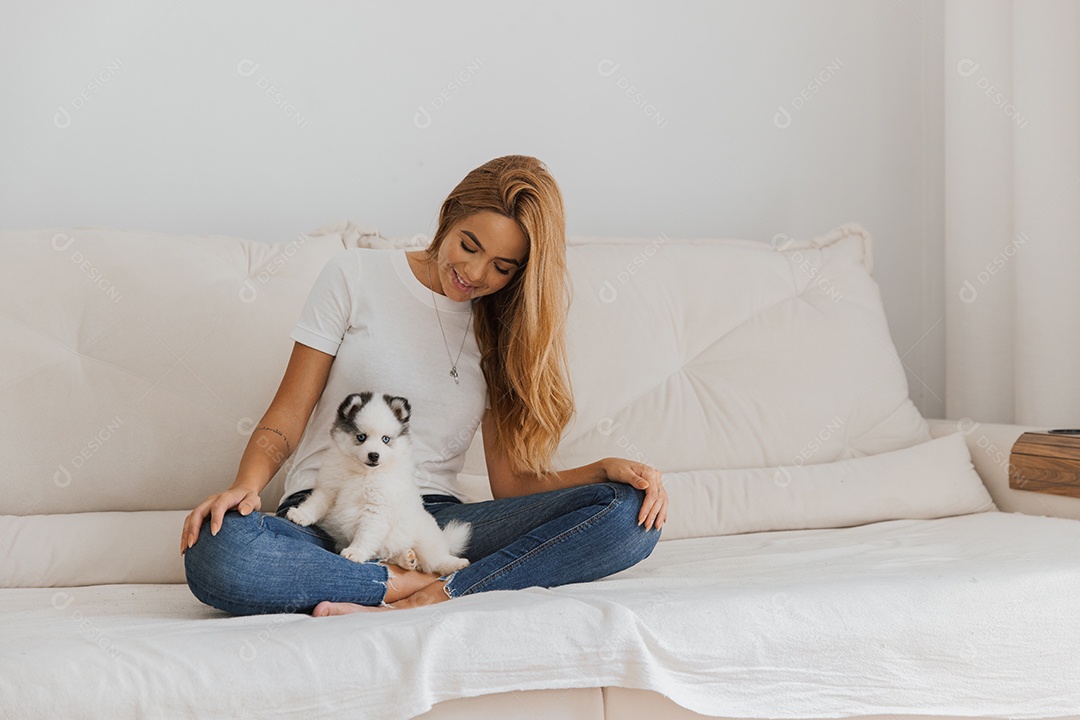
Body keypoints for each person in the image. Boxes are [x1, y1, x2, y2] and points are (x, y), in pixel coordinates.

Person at [181, 155, 667, 616]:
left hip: (425, 522)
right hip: (330, 512)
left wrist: (603, 471)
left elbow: (513, 485)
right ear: (449, 216)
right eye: (469, 245)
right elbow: (286, 416)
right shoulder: (354, 275)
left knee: (628, 515)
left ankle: (446, 589)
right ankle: (397, 585)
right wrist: (245, 486)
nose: (475, 274)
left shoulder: (499, 333)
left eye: (501, 267)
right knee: (220, 551)